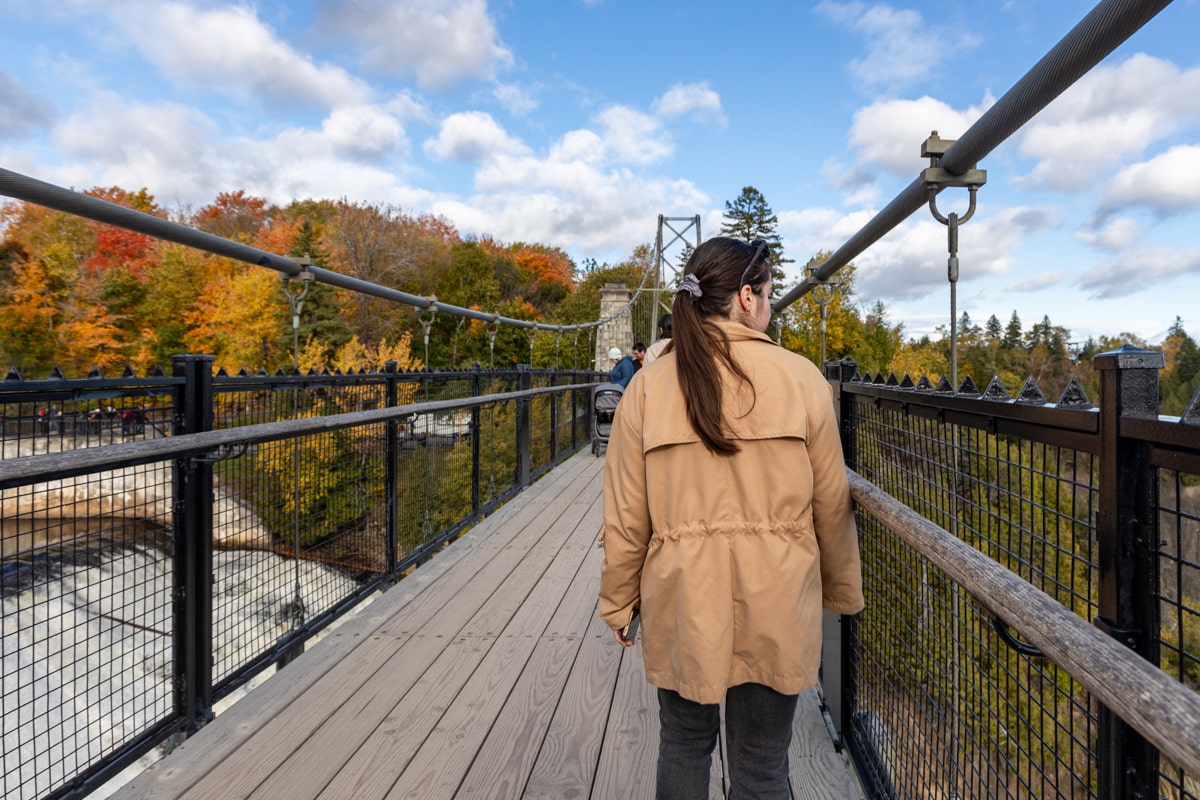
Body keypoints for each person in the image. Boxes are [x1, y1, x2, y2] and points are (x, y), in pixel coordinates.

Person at [598, 237, 863, 799]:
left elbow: (626, 514)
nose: (769, 306)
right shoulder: (803, 379)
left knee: (684, 743)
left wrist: (619, 600)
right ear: (747, 297)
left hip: (682, 596)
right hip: (779, 596)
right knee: (763, 764)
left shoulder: (645, 388)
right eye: (768, 294)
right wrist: (840, 591)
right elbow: (831, 503)